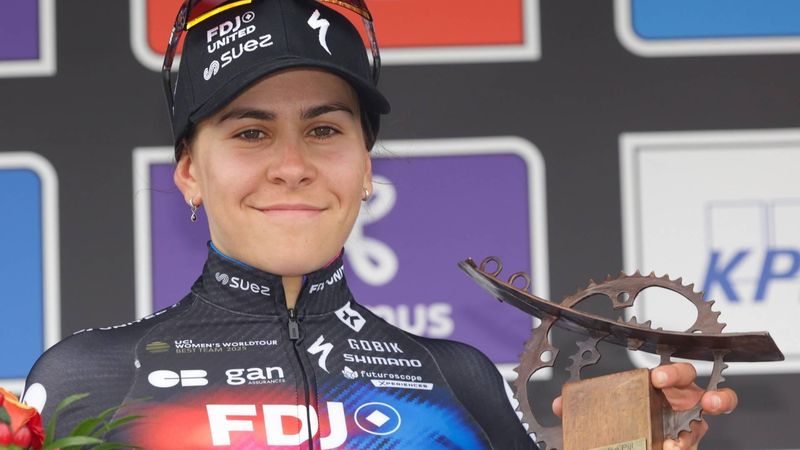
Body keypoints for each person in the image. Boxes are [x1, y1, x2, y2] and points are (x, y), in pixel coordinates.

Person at [23, 0, 737, 448]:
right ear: (188, 172)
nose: (293, 165)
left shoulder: (460, 379)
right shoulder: (89, 377)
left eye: (325, 130)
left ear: (366, 170)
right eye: (250, 134)